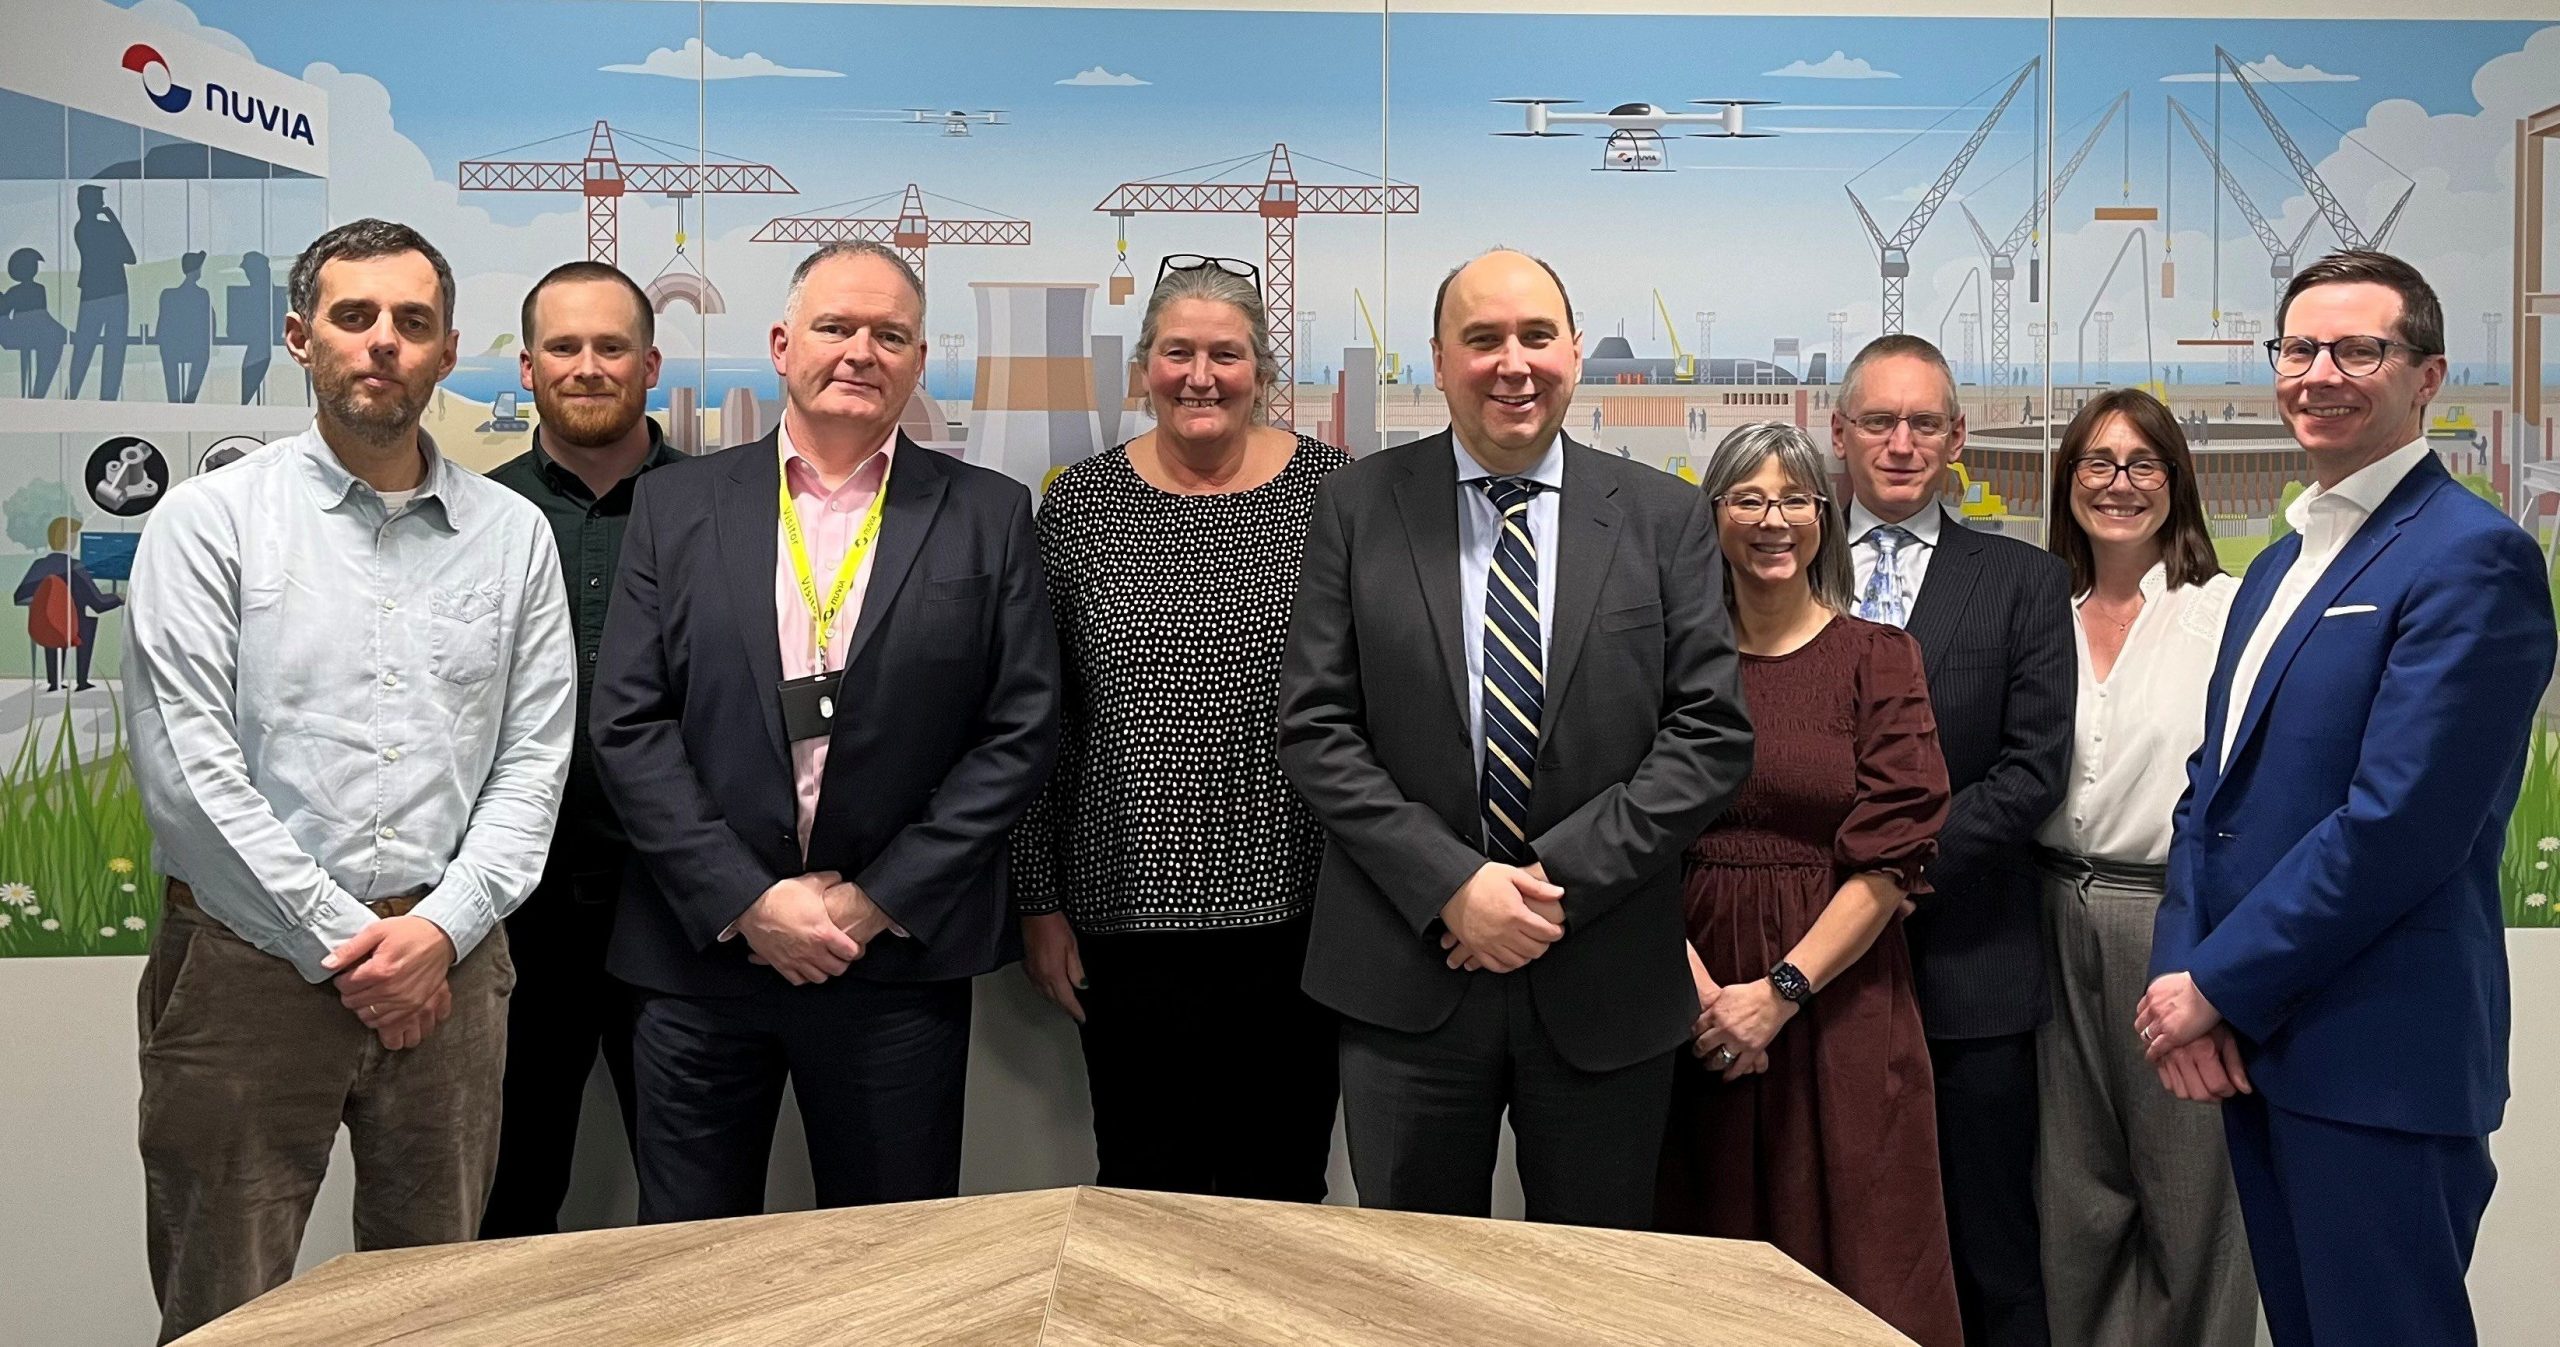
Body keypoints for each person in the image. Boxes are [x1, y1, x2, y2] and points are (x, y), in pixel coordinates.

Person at [120, 218, 574, 1343]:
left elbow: (533, 761)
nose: (383, 342)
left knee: (435, 1303)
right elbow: (187, 772)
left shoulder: (513, 537)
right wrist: (346, 943)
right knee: (223, 1302)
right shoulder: (209, 523)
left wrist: (439, 931)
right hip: (245, 967)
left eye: (412, 322)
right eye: (354, 315)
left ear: (447, 349)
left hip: (449, 969)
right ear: (300, 336)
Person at [1277, 249, 1752, 1228]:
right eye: (1483, 339)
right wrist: (1453, 885)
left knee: (1588, 1280)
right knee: (1416, 1276)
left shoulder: (1663, 515)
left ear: (1573, 351)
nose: (1514, 363)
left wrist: (1546, 886)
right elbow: (1317, 728)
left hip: (1604, 973)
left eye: (1536, 336)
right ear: (1438, 360)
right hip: (1408, 970)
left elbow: (1707, 733)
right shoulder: (1357, 505)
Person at [591, 241, 1059, 1222]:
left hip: (890, 961)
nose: (860, 351)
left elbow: (1017, 731)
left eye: (889, 335)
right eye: (835, 327)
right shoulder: (675, 506)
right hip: (700, 959)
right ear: (781, 344)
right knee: (688, 1262)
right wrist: (746, 899)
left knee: (889, 1261)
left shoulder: (987, 513)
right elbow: (629, 723)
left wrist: (875, 902)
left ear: (919, 361)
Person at [2139, 250, 2556, 1347]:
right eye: (2299, 348)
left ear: (2427, 376)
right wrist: (2181, 974)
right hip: (2258, 1045)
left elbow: (2400, 825)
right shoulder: (2282, 564)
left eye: (2358, 350)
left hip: (2378, 1061)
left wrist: (2216, 982)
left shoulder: (2473, 559)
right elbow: (2210, 790)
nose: (2319, 374)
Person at [1014, 256, 1347, 1200]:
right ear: (1143, 369)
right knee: (1141, 1184)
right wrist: (1037, 900)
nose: (1201, 376)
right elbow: (1039, 718)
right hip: (1123, 920)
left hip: (1302, 916)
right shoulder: (1080, 504)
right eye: (1177, 353)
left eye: (1225, 354)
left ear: (1262, 371)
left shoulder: (1336, 493)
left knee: (1283, 1187)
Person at [1656, 422, 1962, 1346]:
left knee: (1860, 1258)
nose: (1773, 520)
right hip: (1683, 1001)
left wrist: (1778, 993)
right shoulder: (1666, 662)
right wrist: (1706, 1000)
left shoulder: (1879, 658)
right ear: (1713, 516)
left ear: (1823, 517)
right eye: (1748, 498)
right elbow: (1628, 839)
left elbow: (1893, 858)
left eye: (1795, 498)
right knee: (1701, 1268)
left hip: (1838, 1003)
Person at [1831, 333, 2073, 1347]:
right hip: (1806, 969)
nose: (1901, 444)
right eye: (1879, 422)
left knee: (1989, 1249)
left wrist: (1885, 876)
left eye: (1923, 423)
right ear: (1838, 433)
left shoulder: (2024, 581)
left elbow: (2029, 773)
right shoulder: (1777, 565)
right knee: (1824, 1244)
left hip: (1970, 972)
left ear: (1957, 438)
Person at [2033, 389, 2254, 1347]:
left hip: (2171, 921)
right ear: (2067, 479)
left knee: (2193, 1198)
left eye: (2142, 463)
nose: (2118, 484)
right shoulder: (2043, 611)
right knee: (2074, 1201)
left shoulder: (2224, 613)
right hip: (2048, 909)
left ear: (2177, 480)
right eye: (2097, 462)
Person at [477, 261, 679, 1238]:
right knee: (506, 1197)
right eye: (563, 346)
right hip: (513, 911)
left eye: (611, 346)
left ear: (651, 364)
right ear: (527, 367)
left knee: (694, 1200)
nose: (587, 366)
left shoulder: (723, 508)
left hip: (681, 909)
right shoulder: (474, 516)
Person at [13, 515, 122, 690]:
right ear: (68, 537)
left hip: (45, 627)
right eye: (74, 535)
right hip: (73, 627)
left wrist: (46, 604)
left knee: (52, 619)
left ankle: (54, 682)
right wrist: (118, 597)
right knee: (86, 621)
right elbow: (98, 603)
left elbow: (19, 596)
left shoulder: (39, 565)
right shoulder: (75, 566)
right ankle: (82, 682)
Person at [67, 184, 134, 400]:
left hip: (95, 293)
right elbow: (129, 256)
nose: (102, 203)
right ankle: (104, 399)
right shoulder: (97, 229)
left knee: (85, 348)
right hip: (113, 292)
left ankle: (73, 395)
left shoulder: (82, 229)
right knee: (111, 350)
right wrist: (115, 222)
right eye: (99, 200)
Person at [1, 246, 65, 397]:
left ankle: (39, 393)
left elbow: (41, 316)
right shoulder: (17, 291)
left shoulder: (38, 289)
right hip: (25, 332)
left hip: (37, 331)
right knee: (54, 337)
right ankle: (38, 394)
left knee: (52, 340)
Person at [157, 251, 214, 404]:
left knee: (171, 365)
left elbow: (162, 326)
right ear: (196, 270)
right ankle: (189, 400)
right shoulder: (202, 295)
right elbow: (210, 323)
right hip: (193, 348)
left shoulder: (168, 295)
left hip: (173, 349)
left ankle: (176, 401)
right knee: (202, 356)